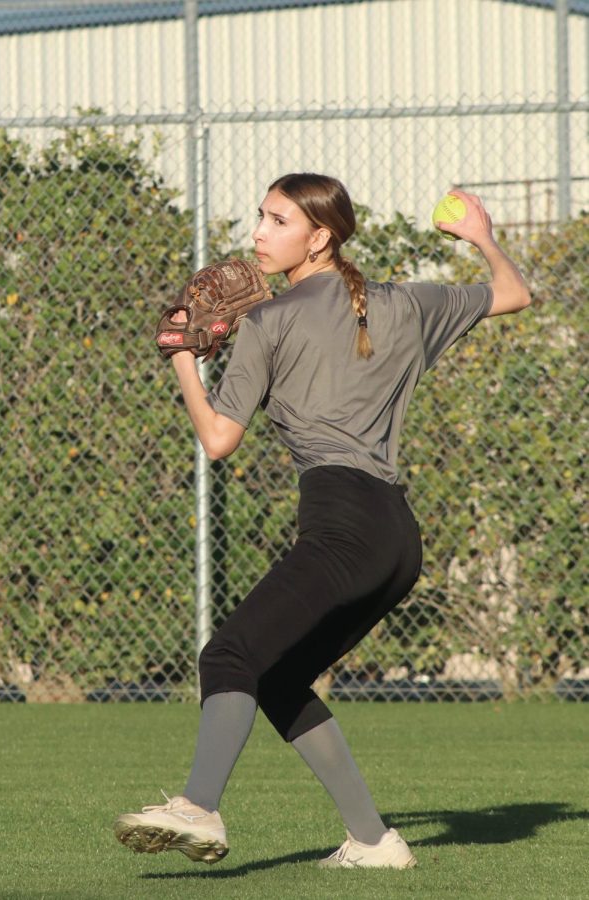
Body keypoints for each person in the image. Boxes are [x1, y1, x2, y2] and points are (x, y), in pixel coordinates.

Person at [114, 174, 531, 869]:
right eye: (260, 217)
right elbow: (515, 294)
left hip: (342, 521)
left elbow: (218, 438)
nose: (258, 233)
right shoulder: (406, 302)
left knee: (229, 656)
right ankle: (372, 841)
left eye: (277, 220)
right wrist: (482, 239)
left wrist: (183, 357)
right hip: (396, 538)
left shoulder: (269, 323)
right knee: (276, 679)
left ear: (320, 237)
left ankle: (199, 808)